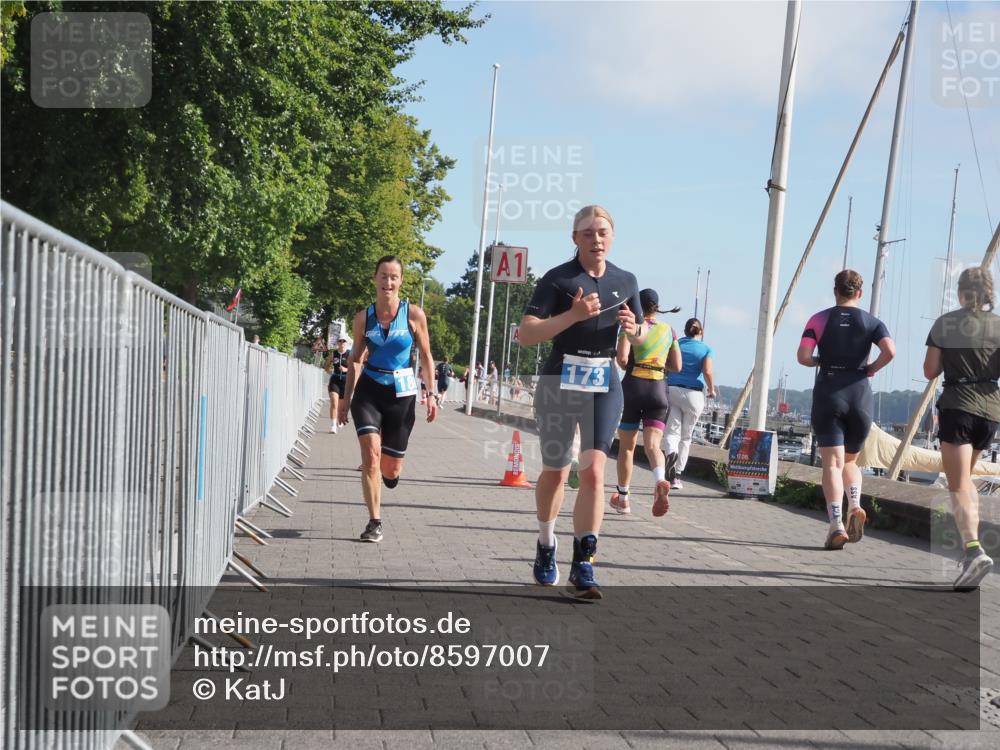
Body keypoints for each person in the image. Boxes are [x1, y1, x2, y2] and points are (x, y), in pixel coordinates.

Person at [519, 204, 644, 599]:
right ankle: (546, 543)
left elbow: (639, 335)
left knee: (593, 473)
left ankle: (584, 562)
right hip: (559, 381)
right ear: (575, 238)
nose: (596, 240)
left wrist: (633, 330)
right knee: (556, 472)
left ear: (612, 237)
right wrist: (572, 315)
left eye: (602, 232)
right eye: (588, 233)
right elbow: (527, 334)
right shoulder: (558, 279)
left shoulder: (626, 280)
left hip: (604, 382)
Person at [339, 255, 437, 543]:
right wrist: (346, 399)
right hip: (369, 391)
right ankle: (374, 522)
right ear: (375, 278)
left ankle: (389, 475)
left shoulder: (413, 315)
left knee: (390, 470)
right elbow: (355, 359)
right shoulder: (363, 318)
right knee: (370, 456)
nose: (388, 282)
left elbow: (427, 356)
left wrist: (431, 394)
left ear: (401, 281)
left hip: (401, 395)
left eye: (394, 277)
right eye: (383, 276)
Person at [797, 269, 895, 551]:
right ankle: (854, 504)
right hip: (860, 394)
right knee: (850, 462)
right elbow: (890, 351)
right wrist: (871, 368)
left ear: (835, 291)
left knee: (832, 464)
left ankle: (836, 524)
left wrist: (820, 361)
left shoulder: (819, 319)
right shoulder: (872, 322)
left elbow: (803, 356)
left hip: (830, 391)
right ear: (860, 293)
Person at [924, 266, 999, 590]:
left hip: (958, 407)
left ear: (960, 292)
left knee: (957, 486)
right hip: (990, 411)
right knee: (965, 480)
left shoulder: (946, 323)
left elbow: (930, 370)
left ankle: (973, 550)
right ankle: (972, 553)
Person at [610, 289, 682, 515]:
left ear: (637, 307)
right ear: (657, 307)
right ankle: (660, 479)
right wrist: (657, 363)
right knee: (653, 446)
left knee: (627, 447)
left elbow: (622, 359)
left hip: (633, 387)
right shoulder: (669, 330)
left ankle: (623, 499)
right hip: (659, 389)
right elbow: (677, 366)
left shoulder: (630, 326)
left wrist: (634, 363)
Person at [665, 318, 717, 491]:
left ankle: (670, 455)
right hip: (694, 394)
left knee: (672, 431)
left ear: (685, 331)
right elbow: (707, 371)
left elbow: (666, 364)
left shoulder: (676, 344)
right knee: (686, 437)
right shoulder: (706, 349)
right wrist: (711, 390)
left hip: (672, 389)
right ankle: (677, 476)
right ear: (701, 332)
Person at [324, 337, 351, 433]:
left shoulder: (350, 354)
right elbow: (326, 366)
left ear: (347, 343)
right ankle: (333, 426)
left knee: (341, 407)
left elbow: (355, 368)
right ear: (338, 343)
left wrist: (346, 369)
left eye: (344, 341)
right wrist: (328, 369)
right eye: (340, 341)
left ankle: (341, 419)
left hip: (345, 381)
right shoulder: (333, 354)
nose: (342, 343)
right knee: (334, 403)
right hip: (335, 380)